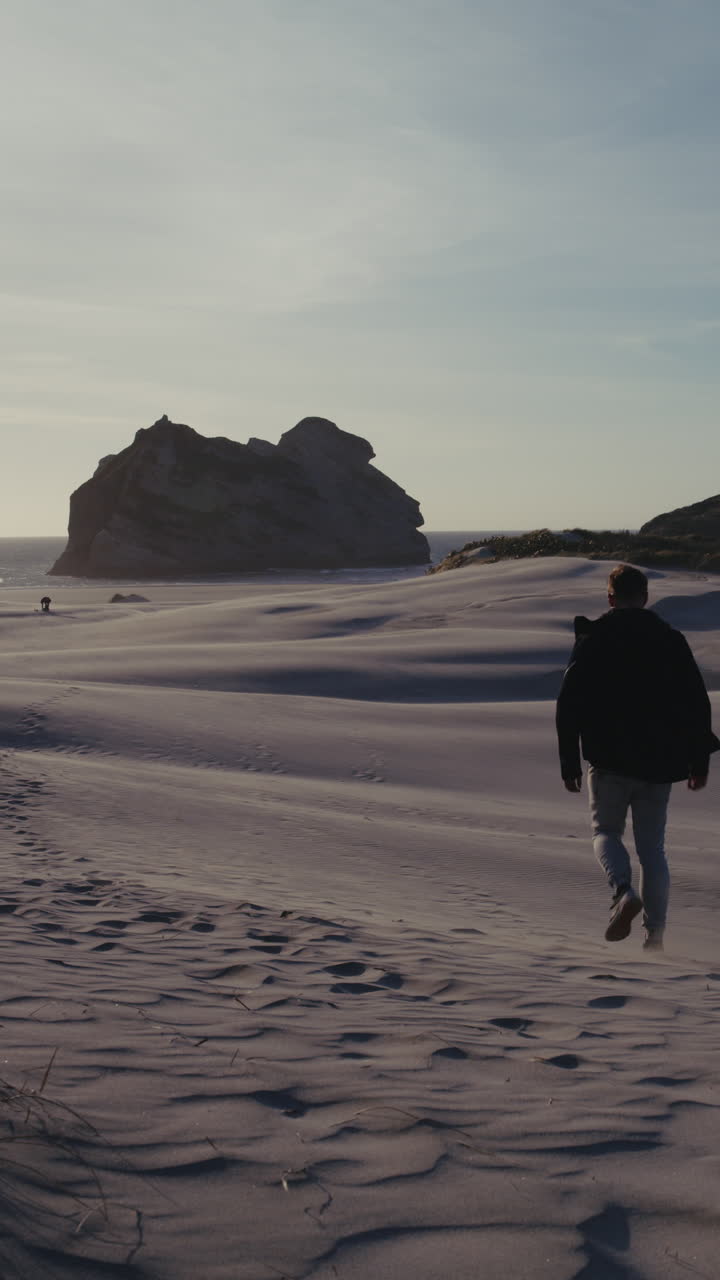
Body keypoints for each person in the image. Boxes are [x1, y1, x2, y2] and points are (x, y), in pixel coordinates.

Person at [556, 564, 719, 950]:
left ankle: (623, 892)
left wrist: (569, 762)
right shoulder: (670, 639)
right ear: (645, 598)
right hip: (659, 763)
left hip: (608, 759)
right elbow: (696, 703)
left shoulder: (594, 638)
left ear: (610, 598)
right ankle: (655, 938)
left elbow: (569, 703)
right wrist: (699, 762)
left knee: (605, 833)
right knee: (652, 851)